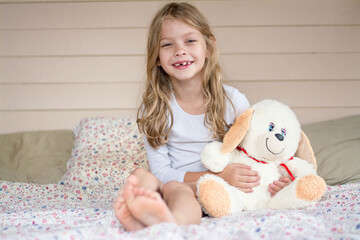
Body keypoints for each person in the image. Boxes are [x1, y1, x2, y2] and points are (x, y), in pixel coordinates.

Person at [113, 2, 291, 231]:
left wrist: (278, 177)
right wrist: (217, 174)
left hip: (220, 189)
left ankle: (166, 221)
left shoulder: (233, 101)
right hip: (176, 183)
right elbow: (161, 172)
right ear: (157, 57)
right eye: (167, 44)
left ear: (208, 47)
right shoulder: (157, 108)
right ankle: (146, 214)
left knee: (179, 190)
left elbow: (258, 150)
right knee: (142, 176)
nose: (180, 50)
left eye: (190, 41)